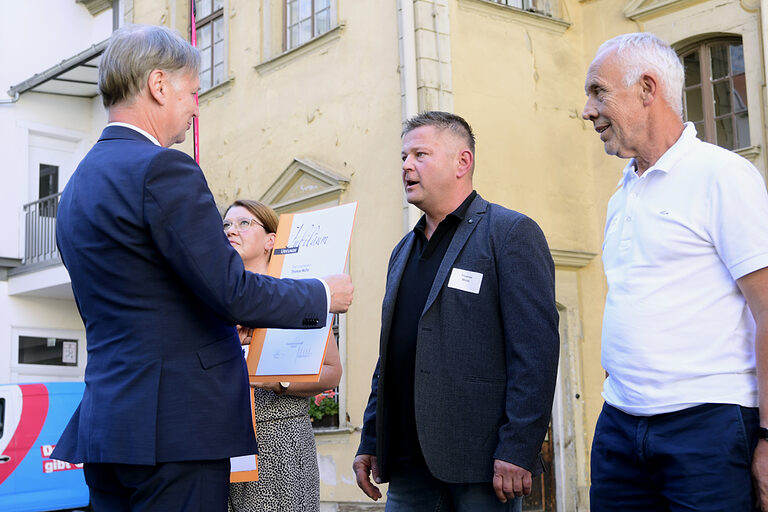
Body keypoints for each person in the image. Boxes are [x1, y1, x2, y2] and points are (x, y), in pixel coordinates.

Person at [52, 24, 353, 512]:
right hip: (176, 429)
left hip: (109, 427)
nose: (196, 108)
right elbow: (229, 289)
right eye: (193, 92)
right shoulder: (163, 168)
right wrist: (320, 294)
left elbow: (148, 295)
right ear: (158, 85)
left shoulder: (78, 187)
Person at [582, 32, 768, 511]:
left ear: (647, 89)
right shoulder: (621, 195)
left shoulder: (723, 176)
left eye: (598, 91)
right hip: (620, 428)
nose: (587, 110)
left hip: (708, 429)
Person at [352, 111, 559, 511]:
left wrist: (519, 447)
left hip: (480, 466)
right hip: (408, 468)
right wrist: (372, 439)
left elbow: (535, 353)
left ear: (462, 162)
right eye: (403, 157)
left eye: (420, 155)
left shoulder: (509, 233)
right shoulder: (401, 252)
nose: (406, 166)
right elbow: (391, 357)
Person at [223, 199, 342, 512]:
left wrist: (280, 383)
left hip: (283, 438)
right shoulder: (216, 298)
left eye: (243, 223)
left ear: (270, 240)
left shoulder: (296, 296)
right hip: (226, 440)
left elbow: (332, 371)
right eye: (226, 225)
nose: (231, 231)